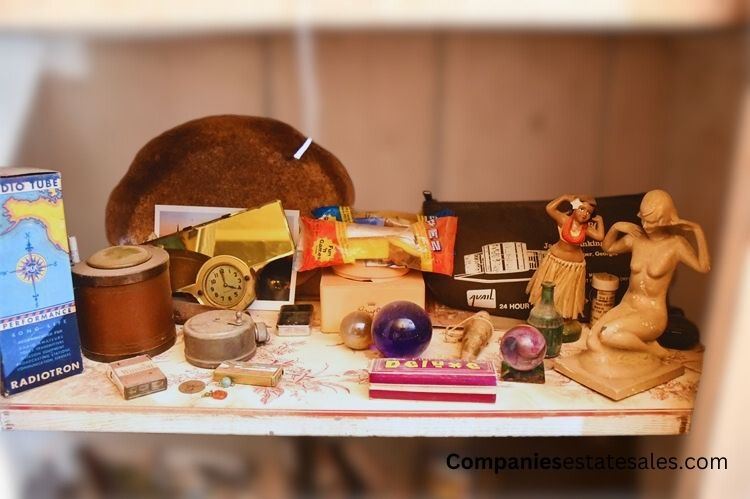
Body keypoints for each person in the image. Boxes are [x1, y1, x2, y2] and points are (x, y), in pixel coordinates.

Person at [586, 190, 710, 358]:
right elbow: (608, 248)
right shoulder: (637, 239)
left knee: (608, 335)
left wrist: (697, 230)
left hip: (652, 313)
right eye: (643, 219)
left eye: (651, 222)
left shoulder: (676, 245)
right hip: (627, 305)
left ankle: (654, 351)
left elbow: (703, 267)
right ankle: (630, 355)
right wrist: (616, 226)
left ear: (666, 219)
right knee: (592, 340)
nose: (645, 226)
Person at [526, 194, 605, 320]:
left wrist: (600, 221)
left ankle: (563, 321)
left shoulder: (586, 229)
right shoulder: (564, 220)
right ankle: (545, 318)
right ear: (574, 208)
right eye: (581, 209)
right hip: (555, 264)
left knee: (566, 297)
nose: (585, 214)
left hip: (573, 268)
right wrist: (564, 197)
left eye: (589, 212)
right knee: (549, 293)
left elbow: (600, 237)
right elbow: (549, 208)